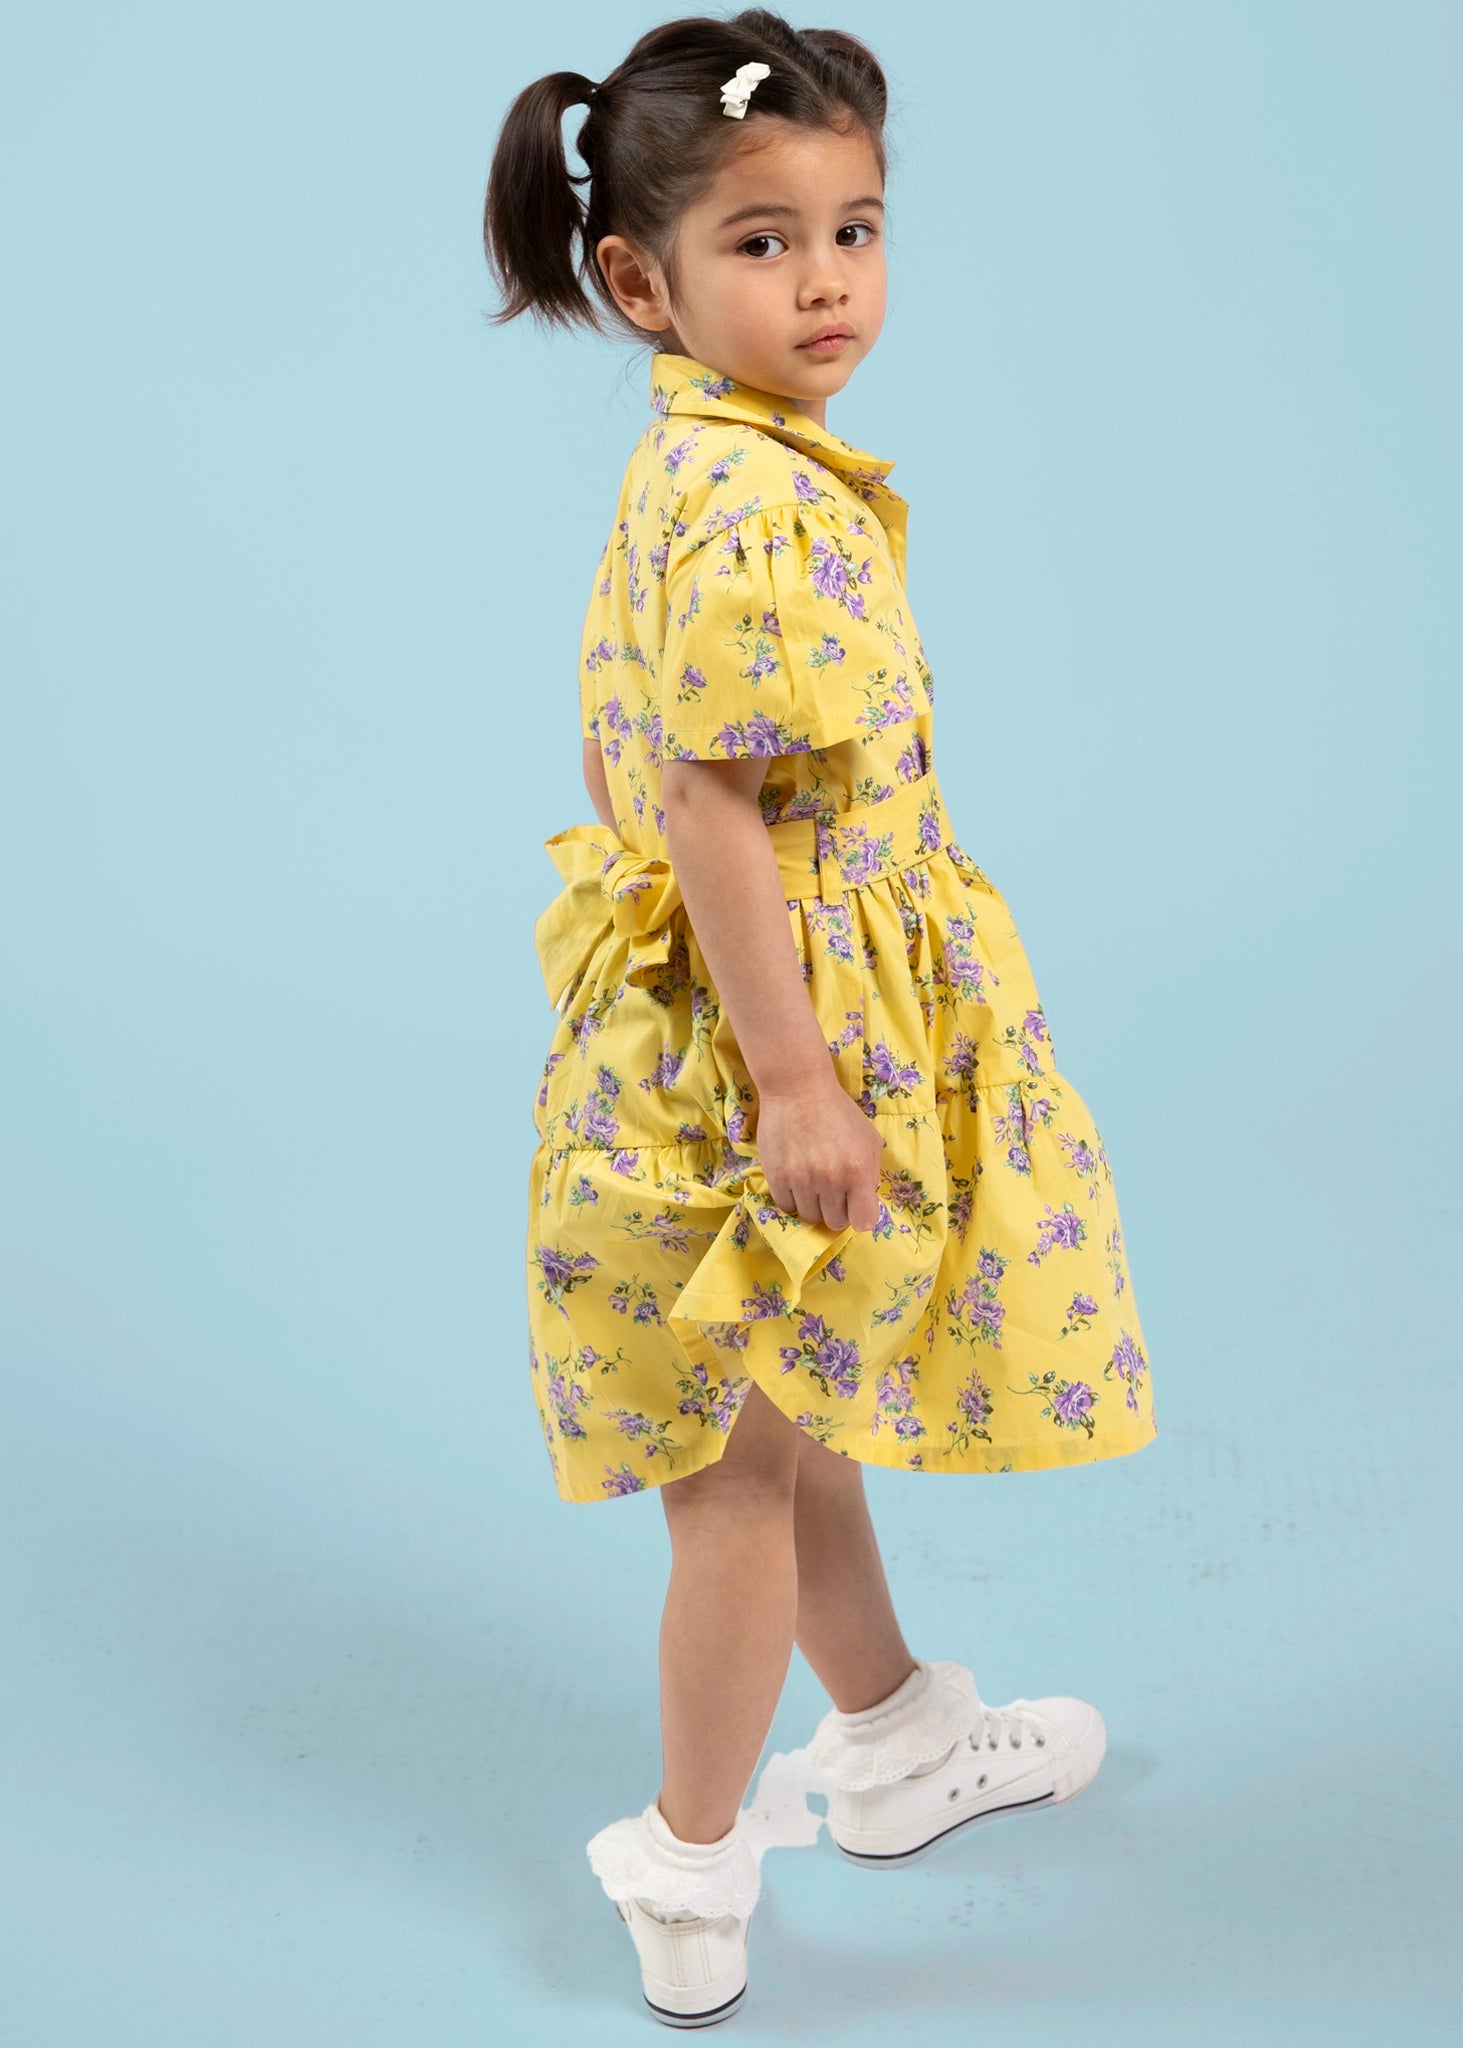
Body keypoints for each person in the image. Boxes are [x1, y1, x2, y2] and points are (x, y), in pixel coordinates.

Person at [484, 8, 1158, 2026]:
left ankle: (884, 1735)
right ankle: (690, 1867)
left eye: (856, 227)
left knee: (797, 1411)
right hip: (761, 1050)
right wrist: (792, 1069)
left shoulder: (709, 463)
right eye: (764, 241)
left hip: (701, 1032)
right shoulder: (766, 507)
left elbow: (639, 749)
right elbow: (702, 797)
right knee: (743, 1477)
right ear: (642, 279)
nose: (829, 278)